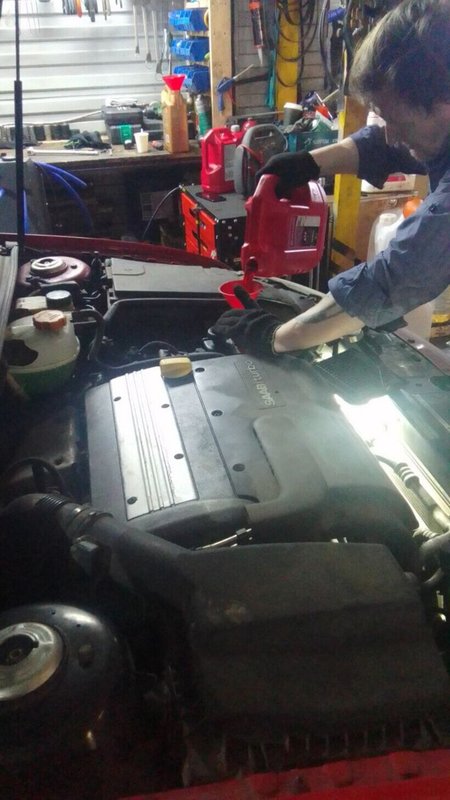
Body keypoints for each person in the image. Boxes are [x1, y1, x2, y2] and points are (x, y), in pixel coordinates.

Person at [212, 0, 450, 357]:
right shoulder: (435, 124)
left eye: (400, 122)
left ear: (444, 104)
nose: (391, 135)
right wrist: (309, 163)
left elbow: (393, 278)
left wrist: (274, 337)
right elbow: (387, 148)